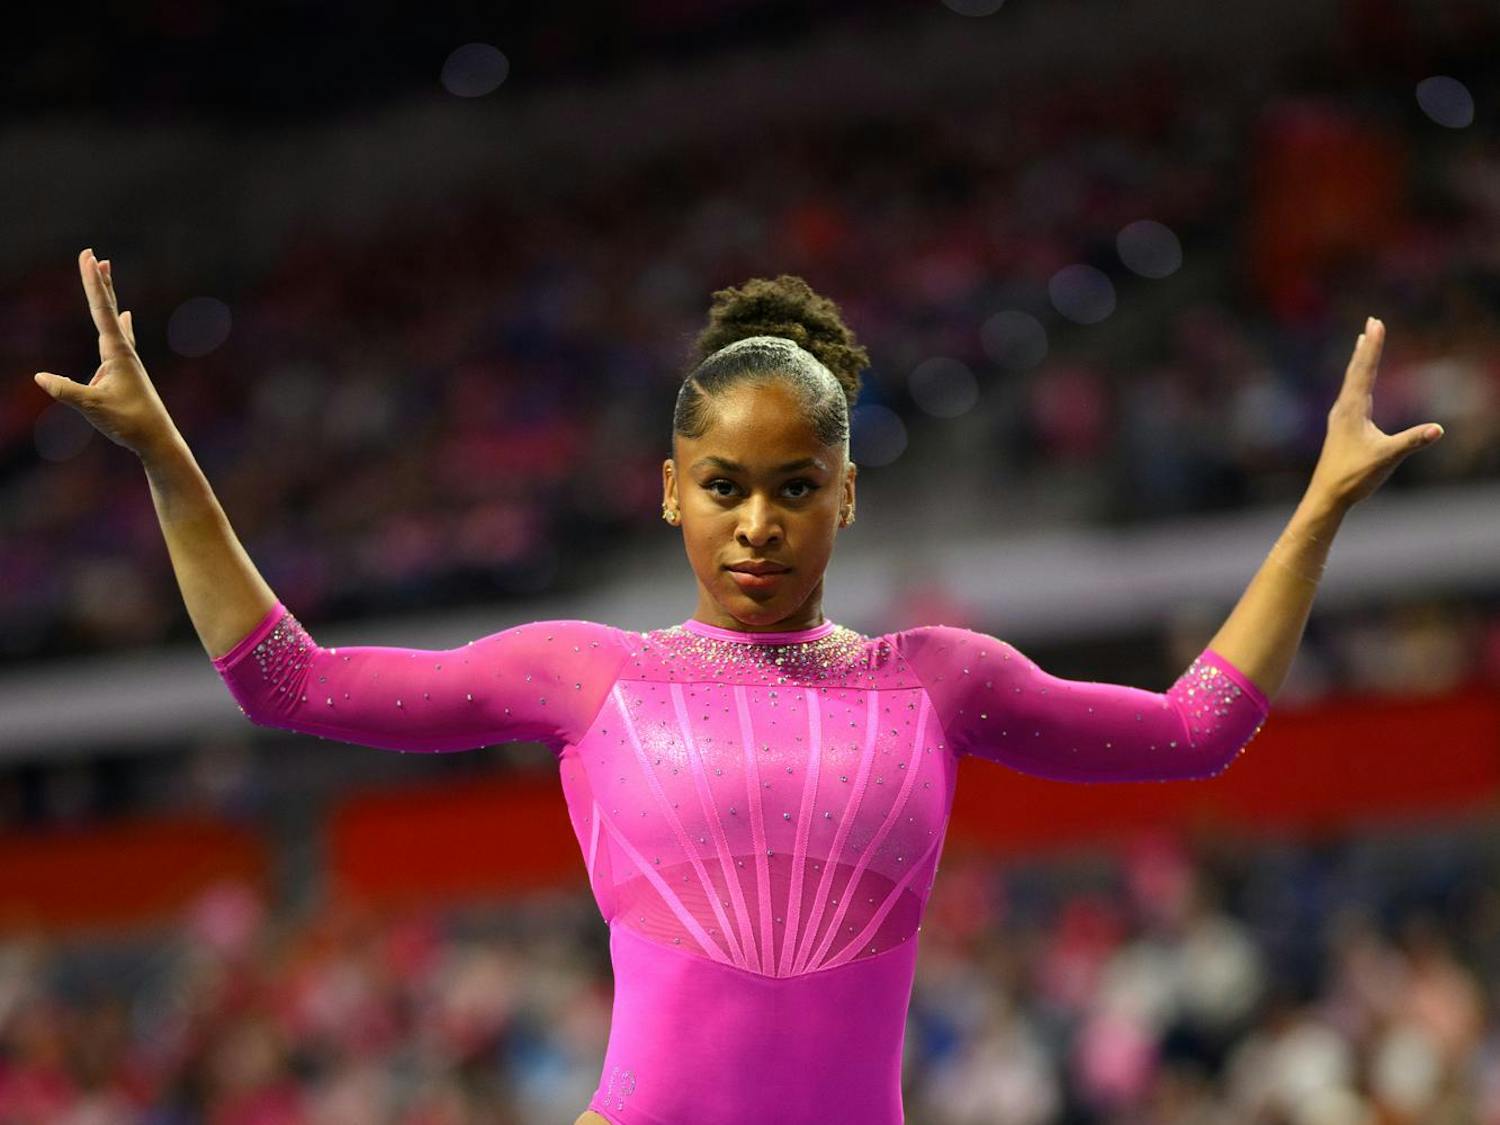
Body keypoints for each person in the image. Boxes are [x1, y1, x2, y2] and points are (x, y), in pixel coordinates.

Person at [36, 248, 1444, 1124]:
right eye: (723, 487)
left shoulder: (940, 681)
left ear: (847, 499)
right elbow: (289, 680)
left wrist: (1316, 505)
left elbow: (1199, 728)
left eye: (793, 488)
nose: (757, 523)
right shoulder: (588, 674)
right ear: (668, 494)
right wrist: (167, 457)